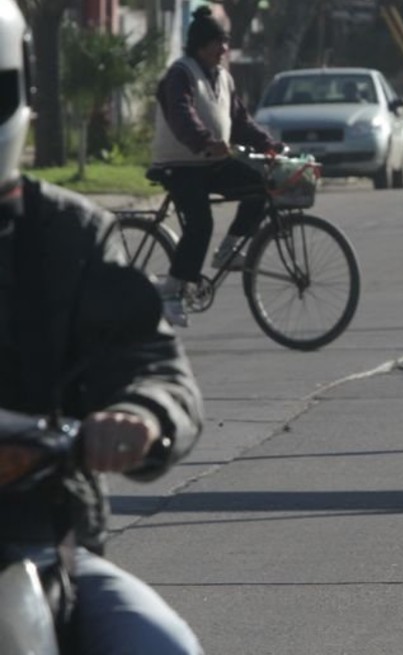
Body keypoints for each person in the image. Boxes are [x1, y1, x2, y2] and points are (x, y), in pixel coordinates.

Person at [0, 1, 205, 652]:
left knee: (164, 645)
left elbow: (152, 362)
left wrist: (142, 412)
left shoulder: (70, 234)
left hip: (34, 546)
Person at [150, 6, 281, 327]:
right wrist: (205, 140)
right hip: (179, 165)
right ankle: (171, 292)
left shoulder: (224, 77)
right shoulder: (180, 74)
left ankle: (229, 249)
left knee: (262, 185)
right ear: (199, 45)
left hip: (212, 163)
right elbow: (182, 115)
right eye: (217, 42)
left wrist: (268, 144)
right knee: (200, 223)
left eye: (225, 42)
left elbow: (240, 121)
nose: (224, 49)